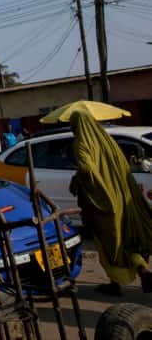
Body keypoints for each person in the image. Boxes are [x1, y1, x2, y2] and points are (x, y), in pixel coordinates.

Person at [68, 110, 152, 295]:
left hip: (103, 202)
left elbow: (87, 171)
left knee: (108, 244)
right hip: (124, 197)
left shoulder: (81, 144)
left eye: (73, 125)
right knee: (127, 239)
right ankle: (142, 269)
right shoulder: (106, 140)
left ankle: (116, 283)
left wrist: (78, 180)